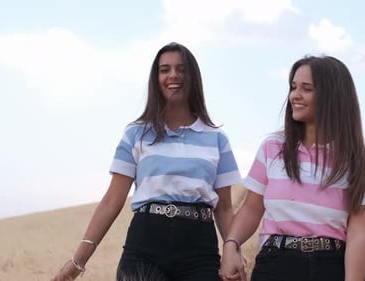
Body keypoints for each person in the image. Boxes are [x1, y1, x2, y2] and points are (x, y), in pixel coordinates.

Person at [51, 42, 241, 281]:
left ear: (193, 77)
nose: (173, 75)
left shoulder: (216, 139)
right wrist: (77, 262)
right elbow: (112, 200)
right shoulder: (136, 134)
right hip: (145, 247)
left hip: (199, 250)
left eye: (181, 69)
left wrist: (233, 251)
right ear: (156, 78)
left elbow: (224, 208)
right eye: (165, 70)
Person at [220, 55, 365, 281]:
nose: (295, 95)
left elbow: (359, 233)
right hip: (275, 266)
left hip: (332, 267)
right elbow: (251, 208)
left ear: (332, 97)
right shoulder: (272, 148)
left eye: (307, 89)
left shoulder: (362, 164)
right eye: (293, 87)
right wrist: (231, 245)